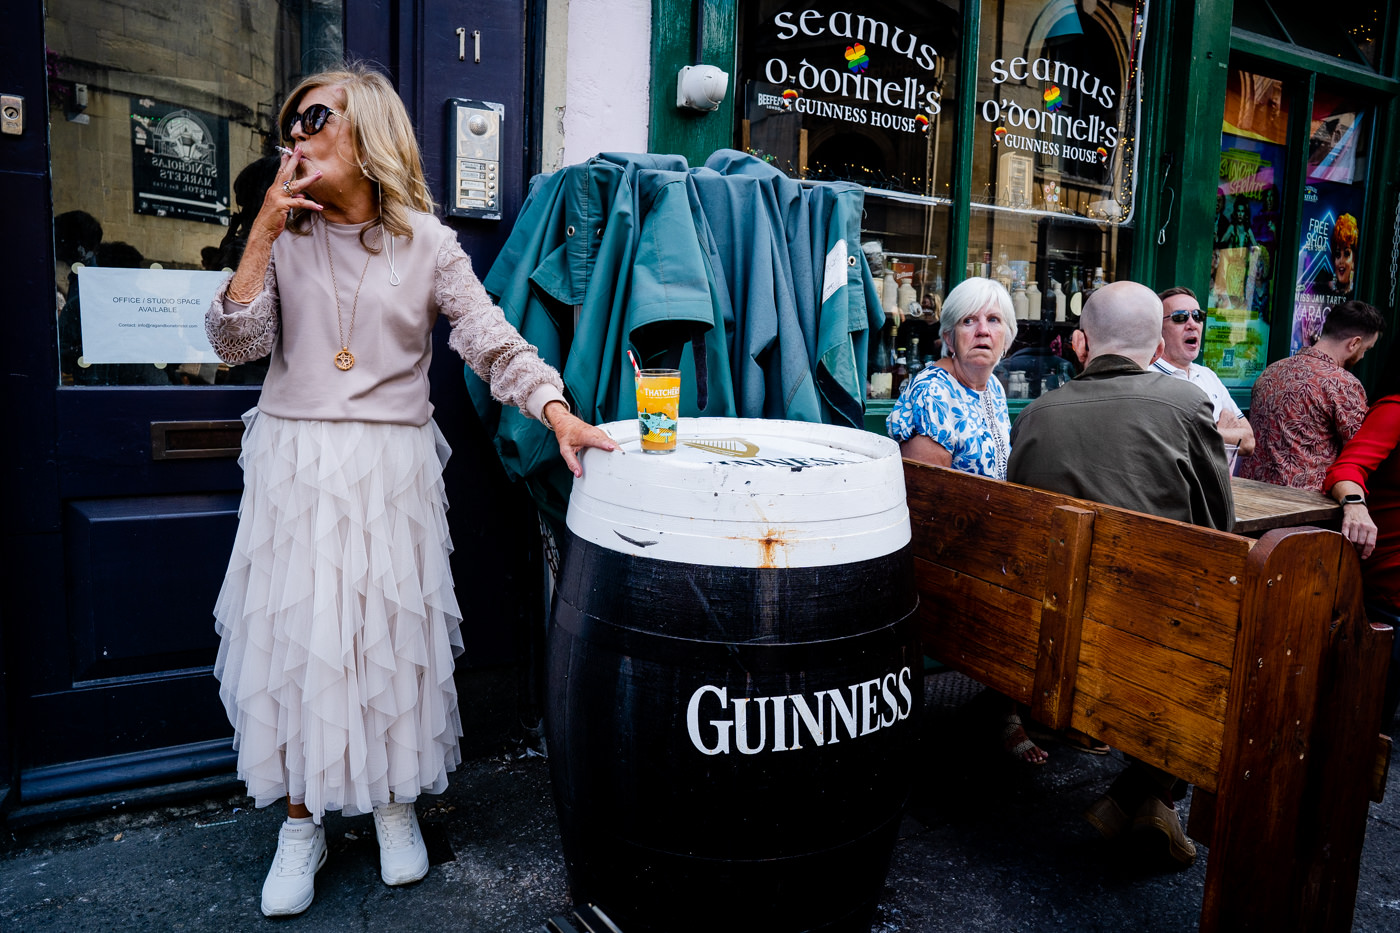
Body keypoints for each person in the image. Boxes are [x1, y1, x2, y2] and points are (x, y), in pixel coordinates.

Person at [204, 64, 616, 918]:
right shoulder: (284, 233)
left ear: (370, 132)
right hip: (296, 461)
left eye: (316, 117)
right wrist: (262, 229)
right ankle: (301, 819)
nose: (299, 133)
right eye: (292, 121)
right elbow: (234, 346)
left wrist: (555, 410)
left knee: (387, 636)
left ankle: (394, 802)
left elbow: (493, 341)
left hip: (391, 468)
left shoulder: (427, 242)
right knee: (297, 641)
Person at [1007, 281, 1234, 868]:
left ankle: (1137, 801)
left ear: (1083, 343)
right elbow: (1221, 535)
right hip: (1149, 637)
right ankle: (1150, 794)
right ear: (1158, 339)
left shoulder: (1033, 413)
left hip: (1051, 631)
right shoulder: (1186, 406)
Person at [887, 278, 1054, 764]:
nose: (982, 331)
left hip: (988, 538)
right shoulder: (932, 390)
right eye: (968, 321)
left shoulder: (993, 389)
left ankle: (1006, 703)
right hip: (946, 552)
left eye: (994, 320)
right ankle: (1004, 709)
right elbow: (927, 503)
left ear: (1008, 335)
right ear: (948, 335)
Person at [1324, 339, 1400, 732]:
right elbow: (1346, 468)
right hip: (1389, 587)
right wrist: (1354, 504)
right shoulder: (1395, 410)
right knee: (1364, 731)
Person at [1239, 300, 1385, 490]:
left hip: (1251, 493)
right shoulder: (1343, 384)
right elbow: (1360, 452)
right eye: (1365, 350)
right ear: (1354, 343)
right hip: (1304, 505)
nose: (1362, 356)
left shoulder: (1271, 371)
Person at [1152, 287, 1255, 460]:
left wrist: (1203, 433)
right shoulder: (1147, 375)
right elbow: (1168, 442)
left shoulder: (1208, 376)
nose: (1192, 324)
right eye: (1180, 317)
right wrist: (1220, 431)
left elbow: (1249, 442)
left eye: (1198, 316)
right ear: (1158, 329)